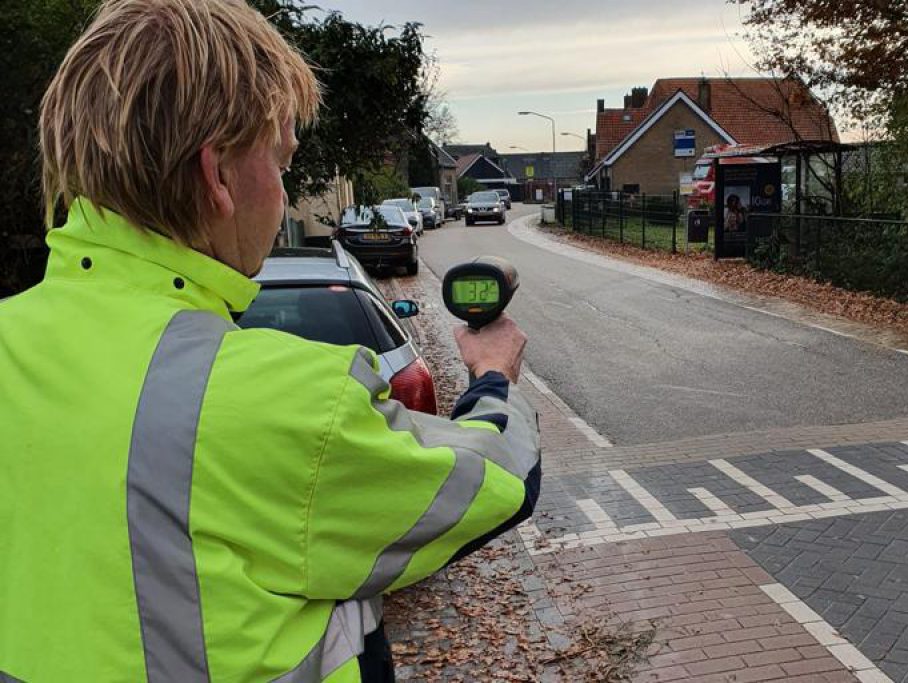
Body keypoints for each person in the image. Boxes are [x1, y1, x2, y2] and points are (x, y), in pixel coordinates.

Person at [0, 1, 540, 681]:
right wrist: (494, 377)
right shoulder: (280, 399)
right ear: (217, 175)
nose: (283, 194)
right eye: (280, 163)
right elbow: (493, 481)